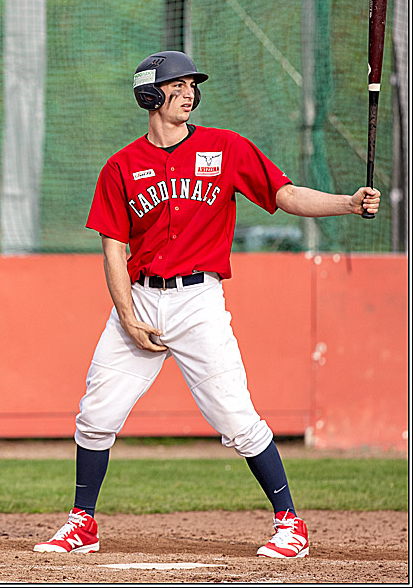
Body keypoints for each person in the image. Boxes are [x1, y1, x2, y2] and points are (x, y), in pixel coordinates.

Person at [32, 51, 380, 559]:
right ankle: (82, 523)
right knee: (95, 415)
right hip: (141, 299)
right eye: (177, 85)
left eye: (192, 85)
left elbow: (284, 195)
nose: (189, 92)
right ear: (149, 94)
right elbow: (113, 249)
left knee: (235, 416)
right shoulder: (121, 167)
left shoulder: (225, 147)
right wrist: (127, 315)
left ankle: (290, 525)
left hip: (198, 301)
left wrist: (346, 203)